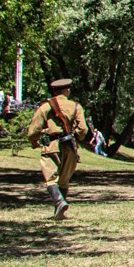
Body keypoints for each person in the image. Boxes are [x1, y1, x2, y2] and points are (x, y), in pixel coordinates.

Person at [24, 78, 90, 219]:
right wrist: (77, 138)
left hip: (52, 146)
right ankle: (60, 212)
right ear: (67, 91)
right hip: (70, 146)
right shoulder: (76, 106)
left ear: (54, 91)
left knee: (51, 179)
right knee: (64, 181)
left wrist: (34, 141)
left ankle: (59, 202)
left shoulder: (45, 107)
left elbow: (33, 130)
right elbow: (83, 129)